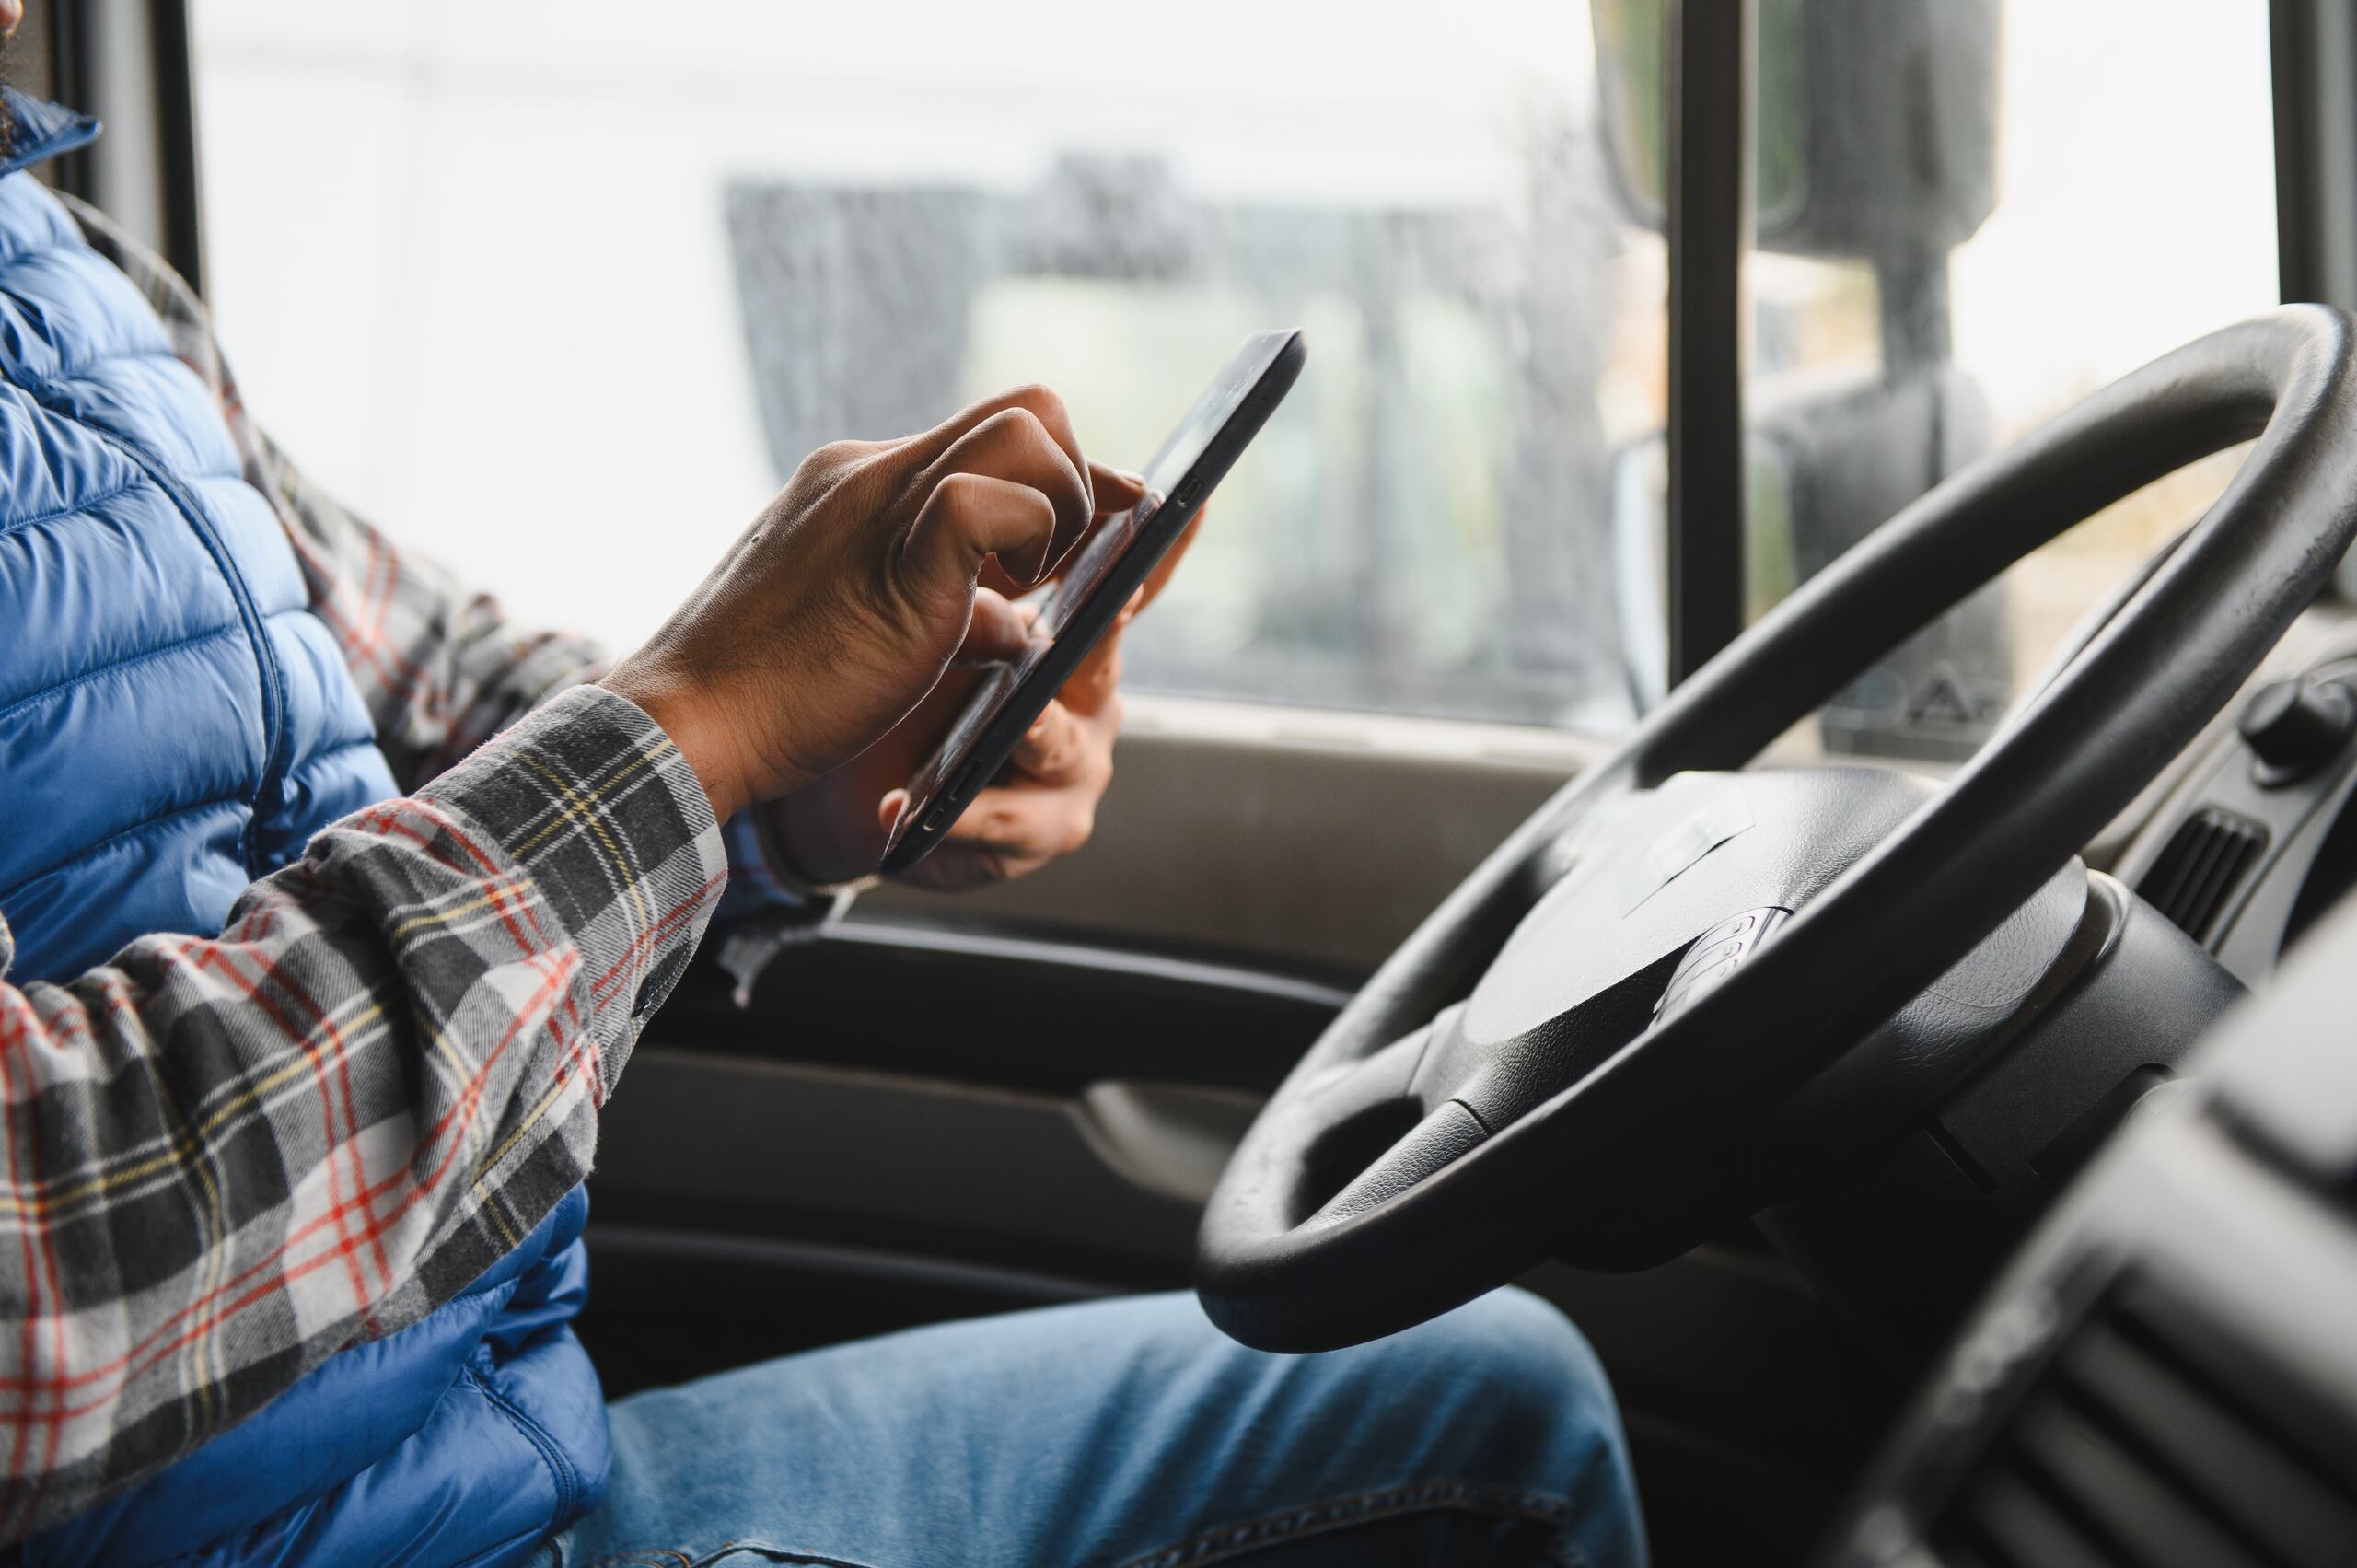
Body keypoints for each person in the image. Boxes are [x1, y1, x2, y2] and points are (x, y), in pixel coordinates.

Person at [0, 23, 1644, 1568]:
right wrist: (687, 728)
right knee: (1512, 1448)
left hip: (499, 1456)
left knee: (1488, 1387)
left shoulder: (71, 279)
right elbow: (38, 1290)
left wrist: (797, 784)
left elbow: (433, 707)